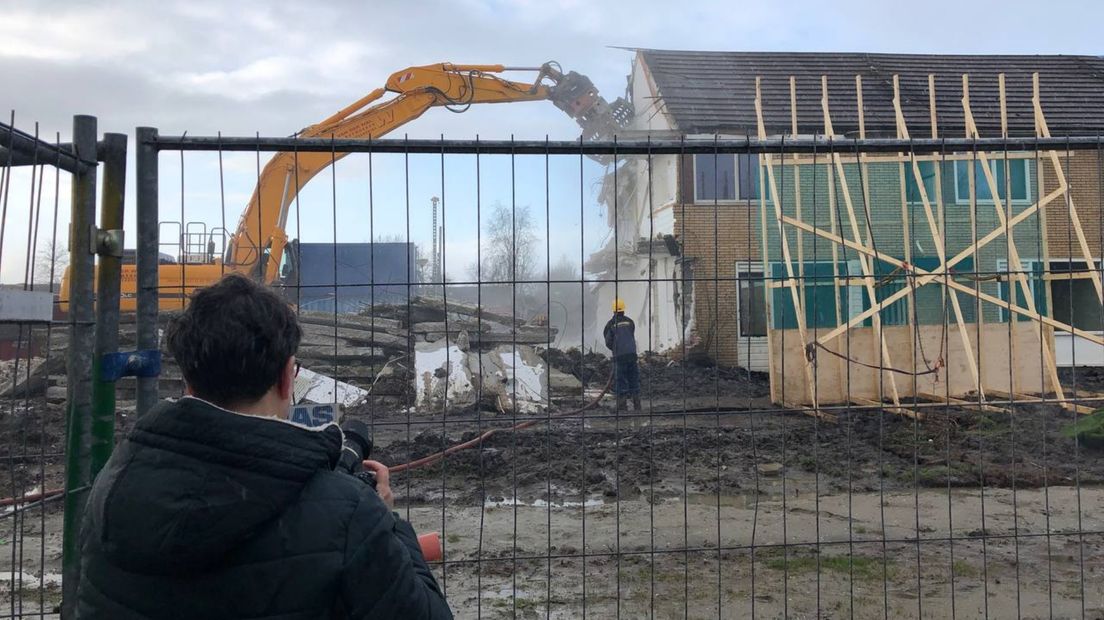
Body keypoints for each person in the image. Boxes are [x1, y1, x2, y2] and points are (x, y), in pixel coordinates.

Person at [77, 274, 453, 619]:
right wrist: (386, 521)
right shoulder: (349, 516)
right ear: (287, 378)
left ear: (189, 379)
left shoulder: (112, 485)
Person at [603, 298, 641, 411]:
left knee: (621, 380)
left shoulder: (610, 324)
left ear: (613, 311)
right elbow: (631, 335)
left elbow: (608, 341)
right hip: (632, 355)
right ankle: (637, 405)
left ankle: (622, 407)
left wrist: (615, 349)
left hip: (620, 356)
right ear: (623, 309)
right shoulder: (630, 321)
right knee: (634, 379)